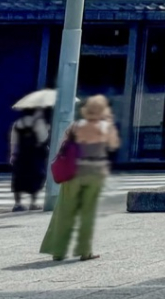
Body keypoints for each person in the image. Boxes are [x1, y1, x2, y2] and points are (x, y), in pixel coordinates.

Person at [41, 96, 118, 262]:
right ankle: (85, 251)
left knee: (63, 213)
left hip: (70, 176)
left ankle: (58, 251)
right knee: (87, 214)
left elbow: (63, 149)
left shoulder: (75, 126)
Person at [8, 104, 50, 212]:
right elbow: (43, 139)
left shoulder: (18, 123)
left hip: (21, 155)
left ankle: (18, 203)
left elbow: (14, 141)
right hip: (35, 156)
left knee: (18, 179)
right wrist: (47, 129)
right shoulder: (39, 123)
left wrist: (13, 154)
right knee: (36, 177)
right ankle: (33, 203)